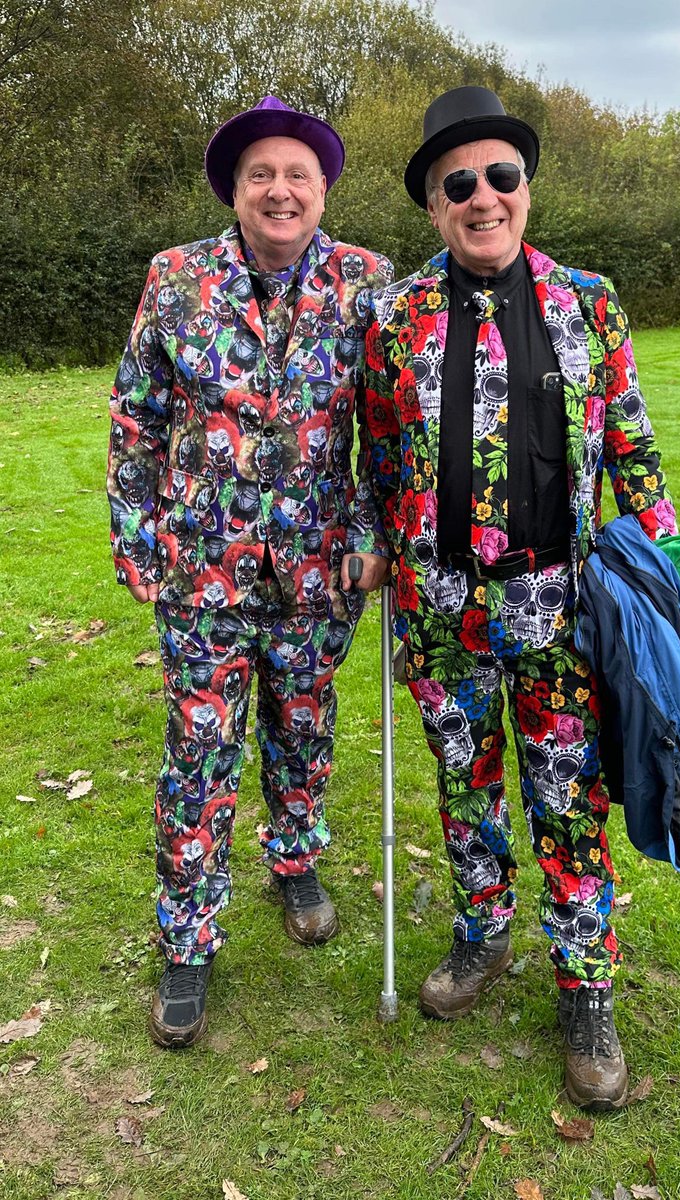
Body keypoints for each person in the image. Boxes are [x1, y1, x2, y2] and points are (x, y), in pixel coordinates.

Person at [358, 86, 679, 1109]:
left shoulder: (589, 299)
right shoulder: (393, 317)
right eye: (460, 183)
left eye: (501, 176)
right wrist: (374, 545)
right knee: (465, 791)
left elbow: (628, 439)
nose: (482, 197)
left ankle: (584, 987)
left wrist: (666, 568)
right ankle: (482, 935)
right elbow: (369, 457)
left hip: (560, 609)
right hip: (439, 610)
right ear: (433, 204)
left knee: (565, 801)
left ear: (525, 190)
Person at [107, 95, 392, 1048]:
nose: (280, 190)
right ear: (235, 190)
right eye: (260, 175)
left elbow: (384, 434)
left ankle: (296, 861)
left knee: (304, 732)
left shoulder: (367, 284)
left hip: (319, 573)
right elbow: (136, 416)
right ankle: (187, 942)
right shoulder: (176, 280)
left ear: (323, 190)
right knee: (198, 754)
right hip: (203, 576)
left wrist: (368, 528)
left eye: (297, 175)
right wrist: (134, 532)